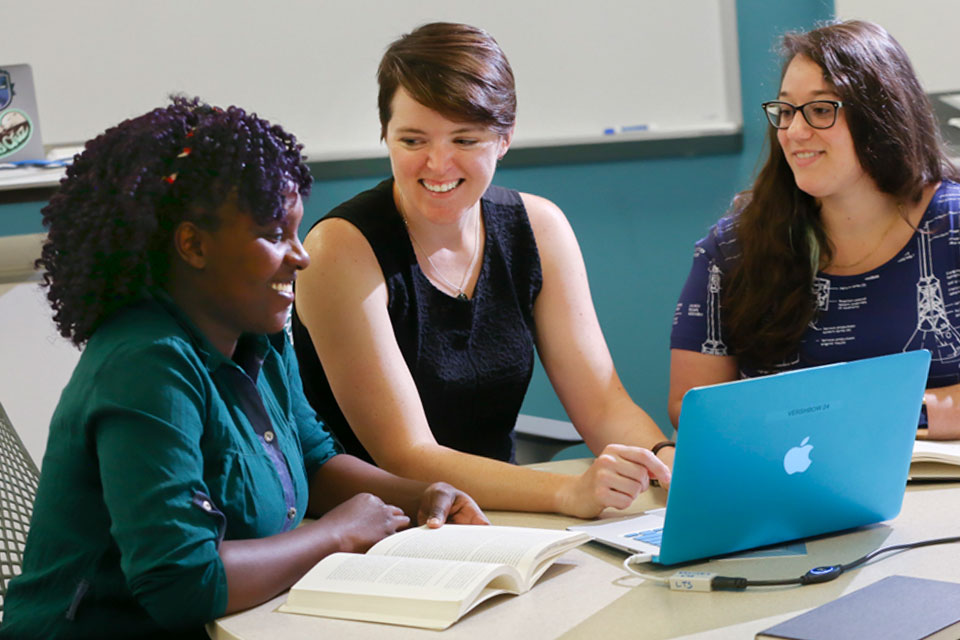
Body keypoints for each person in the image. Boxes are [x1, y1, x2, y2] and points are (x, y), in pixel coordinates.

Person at [0, 97, 486, 640]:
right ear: (193, 245)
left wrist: (415, 496)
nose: (300, 256)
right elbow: (181, 581)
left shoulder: (261, 331)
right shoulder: (147, 365)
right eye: (275, 234)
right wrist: (338, 536)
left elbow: (313, 459)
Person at [292, 22, 672, 521]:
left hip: (499, 515)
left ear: (505, 138)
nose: (438, 163)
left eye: (465, 139)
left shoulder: (539, 228)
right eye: (412, 140)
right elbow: (407, 455)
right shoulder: (340, 248)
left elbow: (602, 404)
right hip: (376, 527)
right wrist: (565, 493)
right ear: (384, 133)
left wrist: (668, 462)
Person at [670, 20, 960, 438]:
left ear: (883, 116)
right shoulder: (733, 248)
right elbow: (689, 402)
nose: (794, 131)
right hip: (793, 484)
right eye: (786, 111)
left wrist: (874, 412)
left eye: (822, 110)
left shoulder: (950, 227)